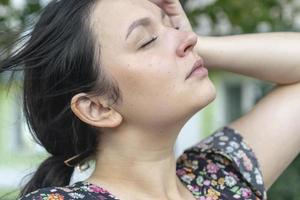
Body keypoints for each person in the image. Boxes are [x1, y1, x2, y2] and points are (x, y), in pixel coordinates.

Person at [0, 0, 299, 199]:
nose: (187, 39)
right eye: (147, 40)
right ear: (97, 107)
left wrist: (197, 46)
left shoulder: (217, 178)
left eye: (169, 25)